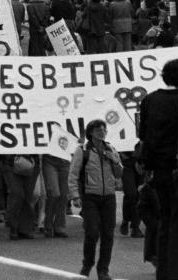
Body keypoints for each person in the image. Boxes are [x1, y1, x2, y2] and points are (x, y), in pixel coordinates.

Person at [138, 58, 178, 280]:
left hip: (157, 173)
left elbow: (143, 135)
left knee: (164, 223)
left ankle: (163, 272)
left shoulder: (149, 100)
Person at [68, 119, 122, 280]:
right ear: (90, 133)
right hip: (90, 197)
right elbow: (73, 174)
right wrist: (75, 195)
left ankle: (103, 270)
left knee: (108, 234)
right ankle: (87, 264)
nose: (102, 132)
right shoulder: (82, 150)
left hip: (109, 197)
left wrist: (115, 160)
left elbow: (119, 174)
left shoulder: (111, 148)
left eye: (104, 130)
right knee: (92, 232)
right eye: (98, 130)